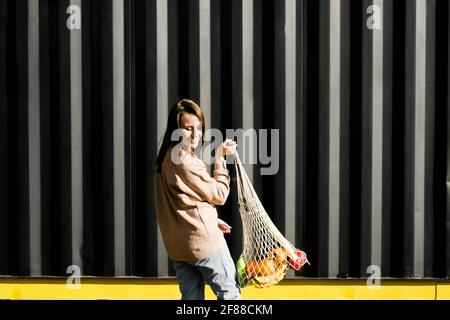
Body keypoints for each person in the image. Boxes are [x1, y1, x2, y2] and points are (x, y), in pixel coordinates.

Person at [154, 98, 240, 300]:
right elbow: (219, 195)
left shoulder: (165, 158)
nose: (195, 134)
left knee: (191, 300)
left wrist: (210, 218)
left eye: (199, 127)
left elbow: (179, 202)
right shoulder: (183, 159)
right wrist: (220, 158)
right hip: (204, 244)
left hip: (179, 248)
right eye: (187, 128)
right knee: (230, 295)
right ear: (176, 129)